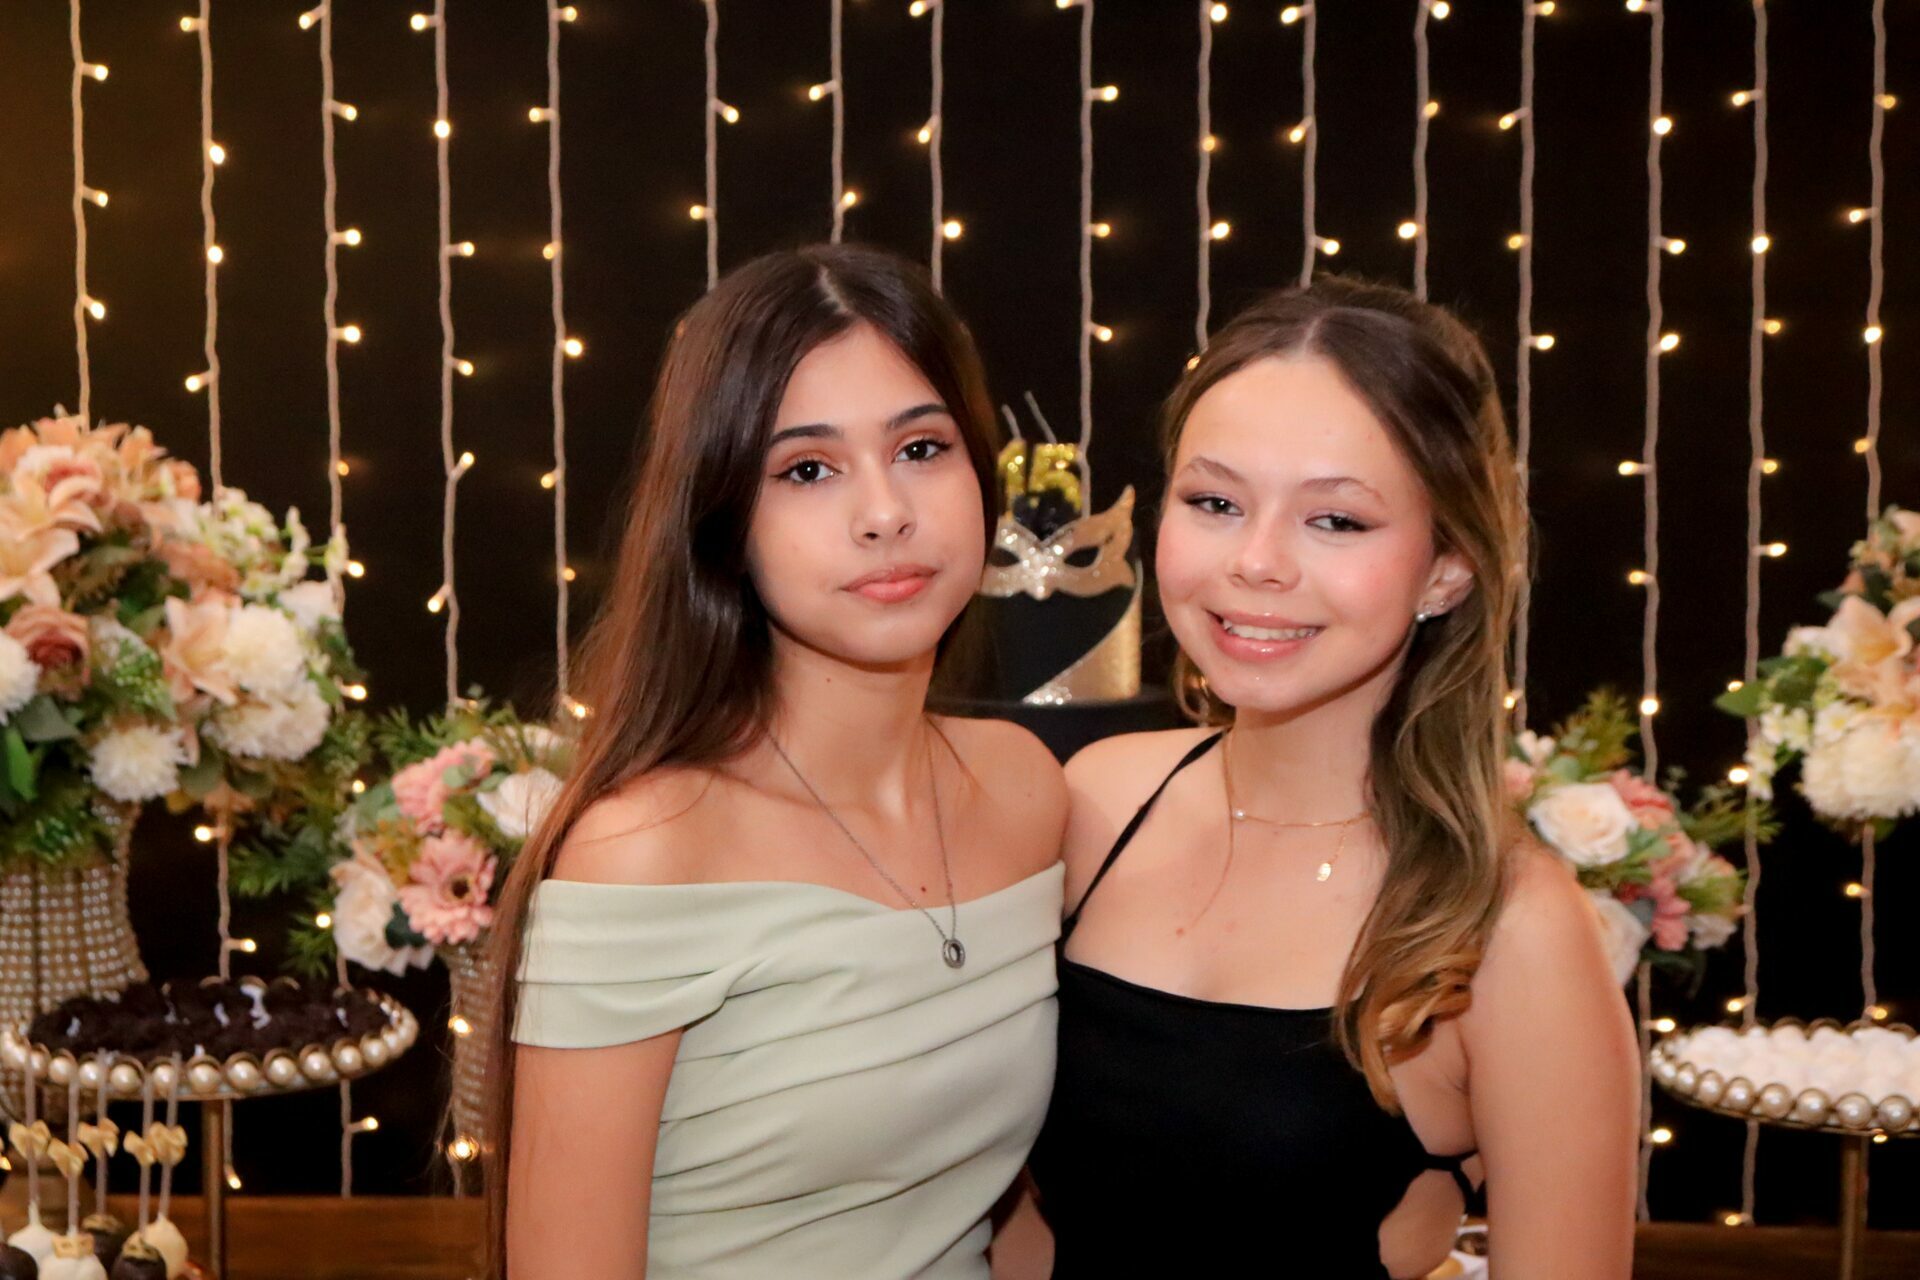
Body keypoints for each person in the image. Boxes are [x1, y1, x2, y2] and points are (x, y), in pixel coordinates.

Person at [1020, 277, 1639, 1278]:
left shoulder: (1509, 925)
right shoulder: (1096, 798)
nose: (1257, 562)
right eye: (1215, 502)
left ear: (1448, 566)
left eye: (1337, 520)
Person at [482, 244, 1067, 1279]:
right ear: (724, 524)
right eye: (806, 469)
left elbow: (990, 1203)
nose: (884, 512)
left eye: (921, 447)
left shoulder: (1022, 788)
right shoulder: (647, 850)